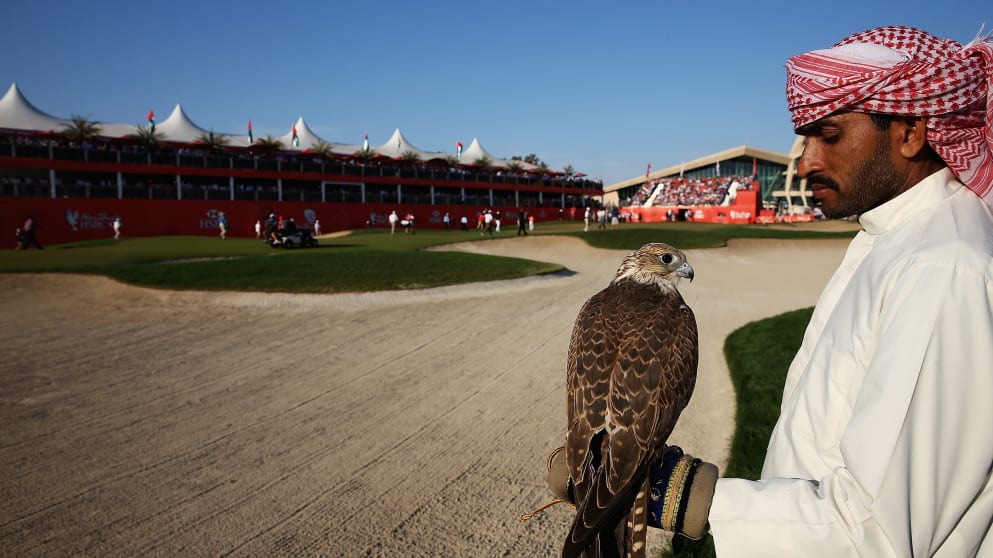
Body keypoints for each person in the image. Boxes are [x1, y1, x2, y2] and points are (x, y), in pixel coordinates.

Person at [546, 25, 993, 557]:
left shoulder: (944, 268)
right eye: (806, 140)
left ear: (911, 133)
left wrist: (690, 497)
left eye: (827, 136)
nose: (805, 163)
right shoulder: (893, 236)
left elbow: (877, 536)